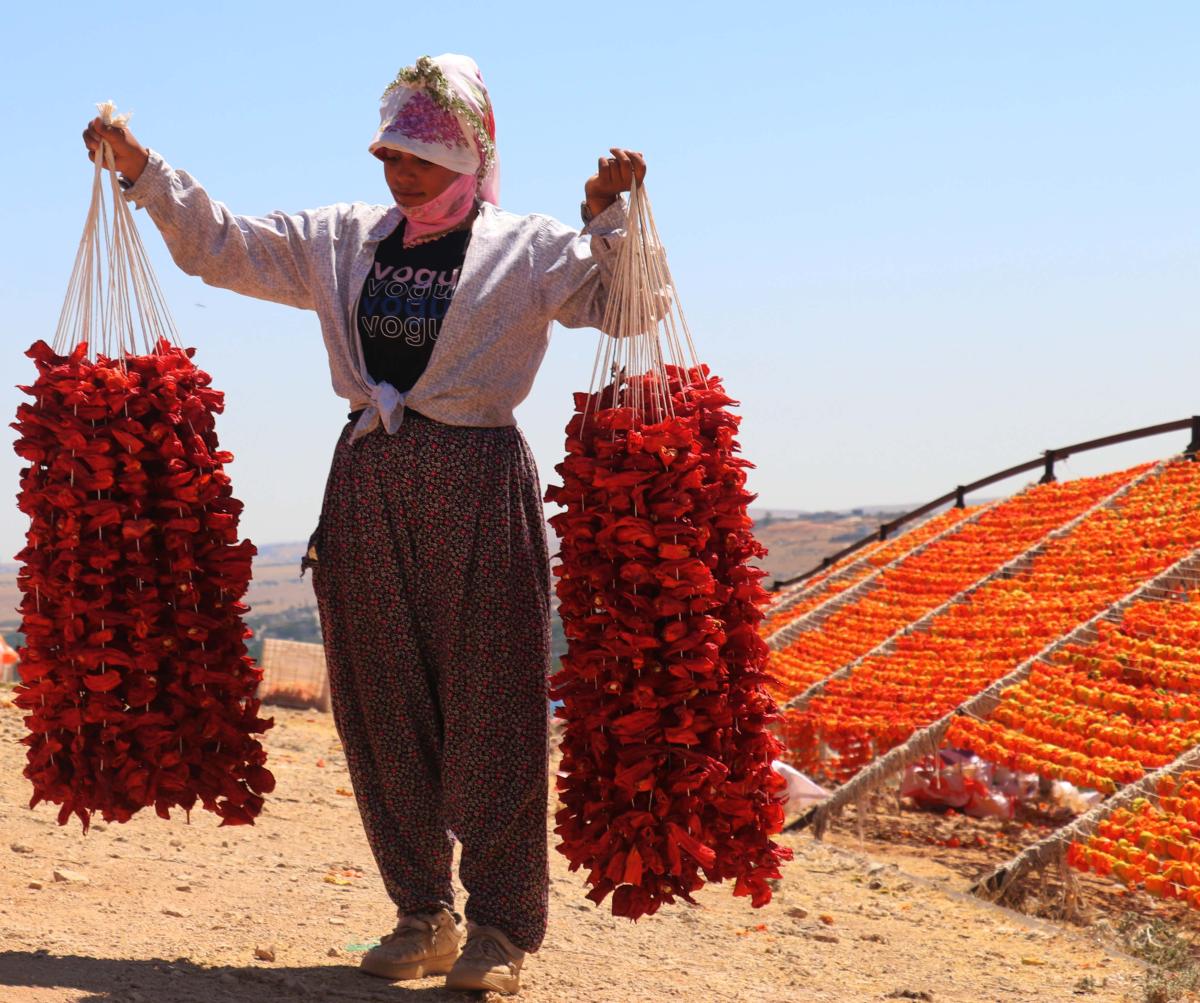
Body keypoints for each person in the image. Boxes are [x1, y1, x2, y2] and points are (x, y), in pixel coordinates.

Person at [82, 52, 646, 996]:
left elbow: (630, 308)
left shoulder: (531, 247)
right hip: (370, 482)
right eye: (390, 153)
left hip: (476, 480)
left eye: (420, 156)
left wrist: (610, 221)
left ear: (470, 155)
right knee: (378, 701)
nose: (398, 172)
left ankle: (502, 930)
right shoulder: (344, 238)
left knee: (493, 700)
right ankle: (422, 912)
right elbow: (224, 244)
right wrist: (146, 172)